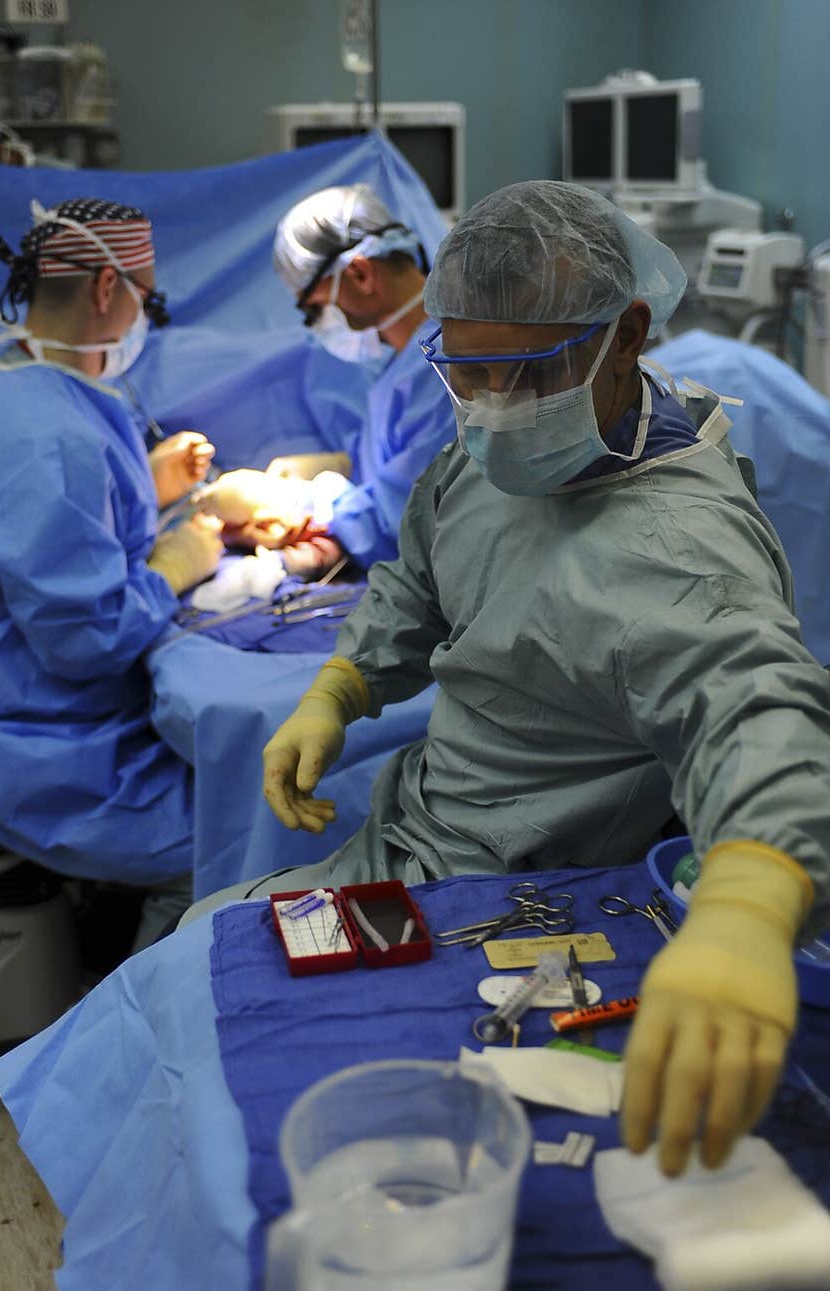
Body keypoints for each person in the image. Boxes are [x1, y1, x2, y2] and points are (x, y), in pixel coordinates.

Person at [183, 181, 830, 1178]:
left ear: (627, 336)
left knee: (219, 1027)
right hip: (414, 835)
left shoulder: (675, 544)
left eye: (521, 377)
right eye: (466, 373)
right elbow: (421, 573)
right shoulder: (498, 437)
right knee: (197, 951)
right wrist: (345, 683)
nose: (490, 410)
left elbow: (756, 711)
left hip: (520, 888)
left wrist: (749, 901)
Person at [0, 197, 226, 951]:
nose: (144, 314)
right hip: (30, 748)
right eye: (147, 294)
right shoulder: (44, 434)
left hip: (32, 716)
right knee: (233, 847)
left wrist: (146, 482)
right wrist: (175, 567)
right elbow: (88, 637)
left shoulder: (5, 377)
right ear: (108, 289)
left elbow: (24, 530)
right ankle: (131, 1045)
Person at [196, 183, 455, 578]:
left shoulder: (440, 368)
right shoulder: (408, 361)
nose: (320, 325)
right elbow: (401, 458)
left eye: (314, 308)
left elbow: (405, 519)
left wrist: (299, 501)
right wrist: (343, 463)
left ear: (361, 274)